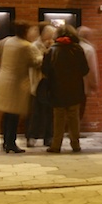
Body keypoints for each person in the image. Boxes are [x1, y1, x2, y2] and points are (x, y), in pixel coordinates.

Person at [0, 20, 39, 153]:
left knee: (7, 113)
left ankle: (5, 141)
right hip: (17, 82)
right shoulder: (26, 46)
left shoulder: (8, 41)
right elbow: (36, 62)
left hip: (3, 79)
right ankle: (11, 143)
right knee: (14, 114)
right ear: (25, 31)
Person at [43, 24, 90, 153]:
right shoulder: (78, 49)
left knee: (58, 117)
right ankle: (75, 144)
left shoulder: (51, 50)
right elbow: (85, 70)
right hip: (75, 88)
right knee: (74, 117)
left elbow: (45, 70)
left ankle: (56, 145)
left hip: (56, 88)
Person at [26, 23, 55, 147]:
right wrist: (47, 53)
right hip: (38, 82)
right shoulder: (34, 46)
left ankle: (48, 137)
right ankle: (32, 136)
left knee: (50, 111)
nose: (51, 38)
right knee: (36, 111)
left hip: (50, 82)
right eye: (49, 35)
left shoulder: (53, 46)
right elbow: (36, 62)